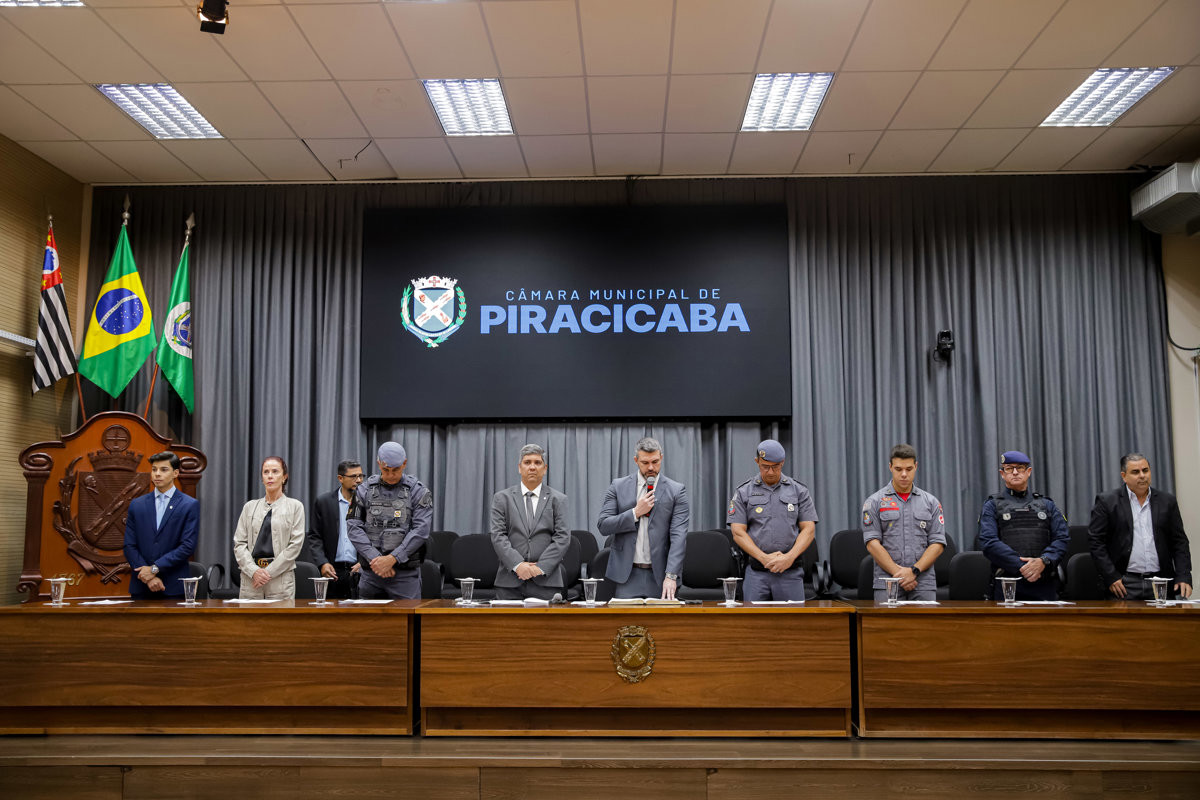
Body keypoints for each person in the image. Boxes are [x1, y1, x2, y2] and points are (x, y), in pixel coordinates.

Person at [1088, 452, 1193, 600]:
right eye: (1135, 472)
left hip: (1161, 582)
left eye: (1145, 470)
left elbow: (1180, 542)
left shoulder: (1167, 501)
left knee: (1164, 623)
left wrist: (1184, 575)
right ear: (1124, 476)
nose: (1142, 476)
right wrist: (1110, 576)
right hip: (1124, 583)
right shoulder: (1108, 502)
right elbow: (1095, 541)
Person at [598, 437, 689, 599]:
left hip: (661, 576)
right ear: (636, 460)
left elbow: (679, 537)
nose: (651, 467)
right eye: (645, 463)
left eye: (655, 461)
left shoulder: (676, 491)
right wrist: (635, 513)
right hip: (627, 575)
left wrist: (671, 576)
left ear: (661, 457)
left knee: (662, 624)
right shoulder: (618, 486)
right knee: (626, 625)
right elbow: (604, 525)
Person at [728, 439, 817, 601]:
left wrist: (789, 557)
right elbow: (737, 532)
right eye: (765, 466)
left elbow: (809, 530)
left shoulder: (799, 490)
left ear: (782, 463)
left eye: (775, 467)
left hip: (790, 572)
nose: (770, 472)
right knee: (752, 624)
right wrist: (764, 558)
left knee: (793, 624)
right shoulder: (743, 492)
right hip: (756, 573)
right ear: (757, 462)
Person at [978, 450, 1070, 601]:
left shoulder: (1046, 504)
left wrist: (1043, 561)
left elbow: (1062, 538)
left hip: (1044, 581)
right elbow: (988, 542)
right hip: (1008, 583)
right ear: (1002, 474)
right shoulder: (992, 505)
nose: (1015, 472)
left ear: (1028, 472)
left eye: (1020, 468)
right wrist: (1023, 566)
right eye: (1009, 468)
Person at [347, 442, 432, 600]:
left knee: (408, 623)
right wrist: (376, 560)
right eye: (386, 470)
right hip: (371, 575)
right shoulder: (363, 490)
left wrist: (392, 559)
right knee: (369, 624)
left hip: (404, 577)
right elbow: (353, 528)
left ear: (404, 463)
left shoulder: (418, 492)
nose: (391, 475)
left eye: (396, 470)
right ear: (379, 463)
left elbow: (421, 531)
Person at [862, 443, 946, 602]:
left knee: (930, 626)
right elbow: (872, 543)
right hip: (888, 581)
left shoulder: (931, 502)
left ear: (916, 466)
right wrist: (899, 574)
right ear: (890, 467)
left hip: (923, 581)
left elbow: (937, 543)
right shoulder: (874, 502)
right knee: (886, 627)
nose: (904, 474)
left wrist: (913, 571)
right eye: (898, 469)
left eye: (909, 469)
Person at [490, 443, 570, 600]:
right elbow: (498, 535)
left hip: (547, 581)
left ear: (545, 468)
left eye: (537, 463)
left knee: (545, 626)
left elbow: (562, 537)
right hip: (509, 582)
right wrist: (518, 565)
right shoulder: (501, 498)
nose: (532, 467)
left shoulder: (559, 499)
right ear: (519, 468)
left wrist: (540, 568)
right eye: (527, 462)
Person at [124, 451, 199, 599]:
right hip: (141, 585)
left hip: (173, 586)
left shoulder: (189, 505)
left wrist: (154, 568)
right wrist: (149, 576)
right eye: (154, 469)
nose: (157, 474)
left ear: (175, 473)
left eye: (163, 470)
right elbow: (129, 545)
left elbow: (187, 546)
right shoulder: (137, 505)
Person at [233, 456, 306, 600]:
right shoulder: (249, 507)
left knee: (278, 622)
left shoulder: (295, 506)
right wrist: (254, 571)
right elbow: (239, 544)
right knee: (249, 622)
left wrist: (267, 573)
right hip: (251, 579)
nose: (270, 476)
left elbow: (295, 545)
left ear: (284, 477)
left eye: (275, 471)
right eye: (266, 472)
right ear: (262, 477)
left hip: (280, 580)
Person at [305, 458, 364, 599]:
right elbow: (315, 536)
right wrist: (322, 563)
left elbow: (374, 536)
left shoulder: (367, 503)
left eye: (361, 476)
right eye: (353, 476)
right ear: (340, 478)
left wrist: (365, 563)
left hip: (359, 570)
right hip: (332, 571)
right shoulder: (324, 502)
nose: (359, 480)